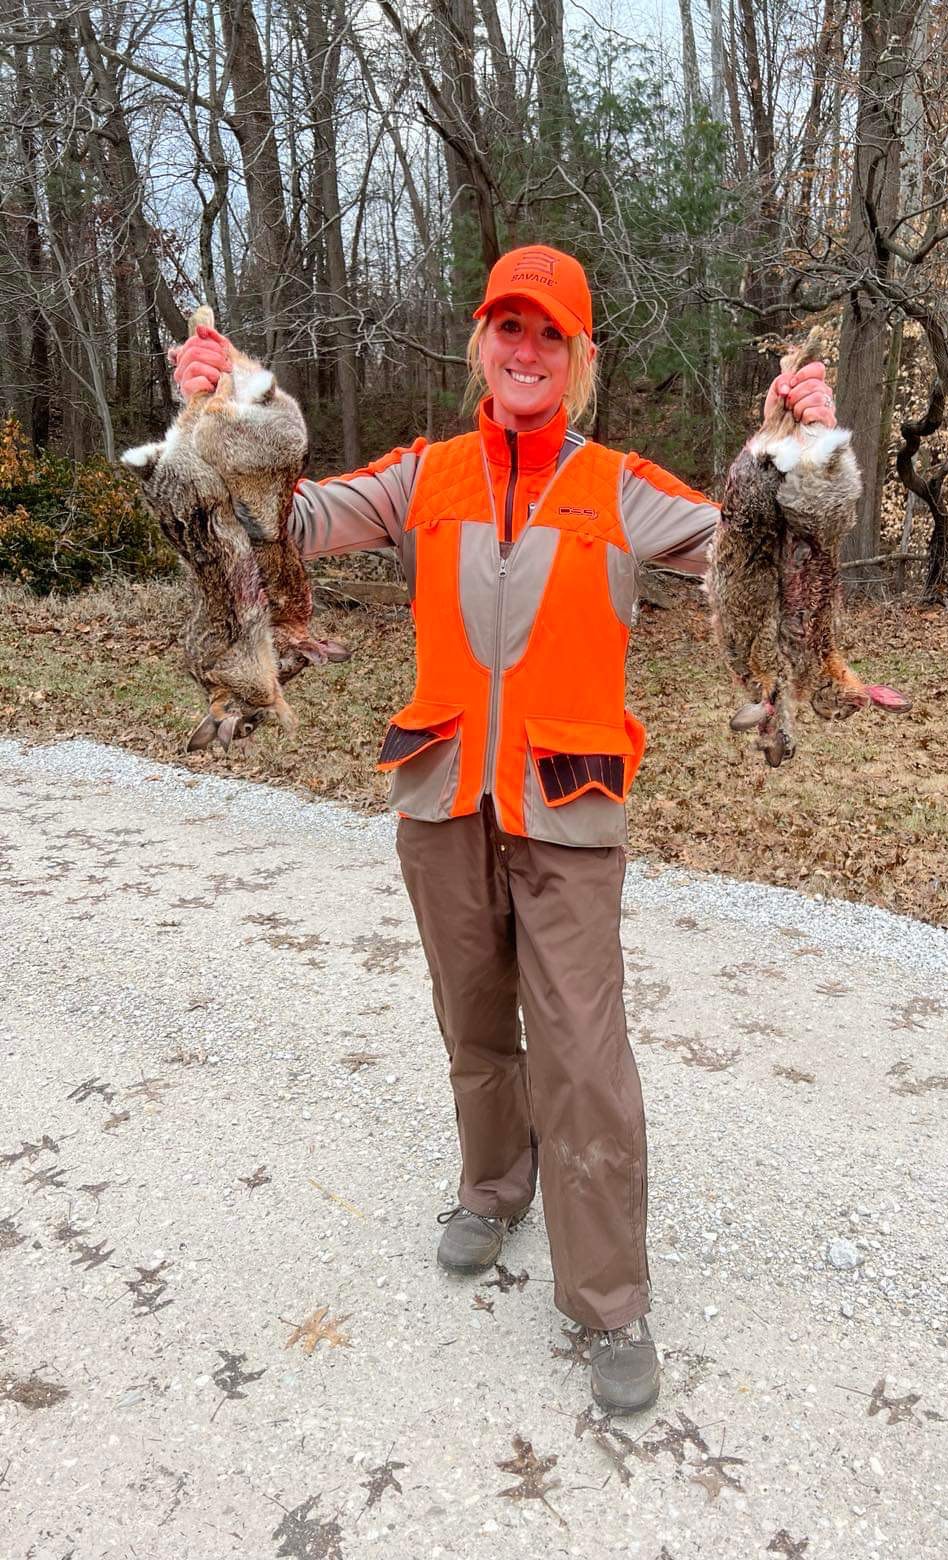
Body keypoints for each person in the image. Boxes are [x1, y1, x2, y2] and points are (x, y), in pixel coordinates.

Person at [170, 245, 838, 1415]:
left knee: (583, 1056)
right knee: (474, 1021)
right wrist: (225, 404)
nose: (525, 351)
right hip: (440, 799)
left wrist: (798, 446)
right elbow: (288, 521)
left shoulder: (624, 486)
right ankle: (492, 1189)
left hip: (567, 811)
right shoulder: (423, 475)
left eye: (550, 336)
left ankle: (609, 1298)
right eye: (507, 328)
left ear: (579, 362)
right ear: (479, 342)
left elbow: (758, 546)